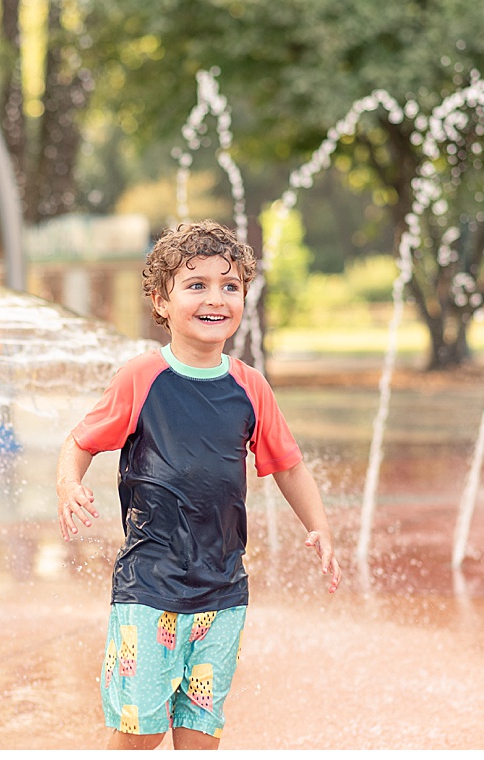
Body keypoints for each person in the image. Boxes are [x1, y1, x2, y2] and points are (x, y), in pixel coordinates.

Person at [55, 220, 342, 750]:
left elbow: (288, 465)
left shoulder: (249, 386)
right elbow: (80, 442)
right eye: (197, 285)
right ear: (162, 301)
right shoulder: (141, 377)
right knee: (138, 733)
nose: (216, 298)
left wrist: (319, 526)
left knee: (199, 735)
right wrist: (70, 485)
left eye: (229, 286)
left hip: (223, 590)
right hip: (150, 587)